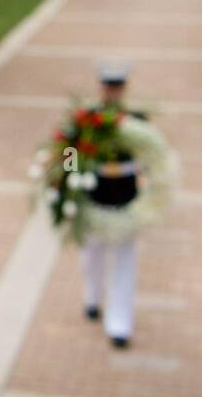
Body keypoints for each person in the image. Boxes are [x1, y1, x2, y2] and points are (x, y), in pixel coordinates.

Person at [35, 64, 178, 348]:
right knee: (92, 259)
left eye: (117, 87)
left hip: (125, 200)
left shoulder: (136, 120)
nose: (112, 91)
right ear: (101, 87)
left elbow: (151, 158)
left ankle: (119, 324)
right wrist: (70, 185)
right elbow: (70, 154)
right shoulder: (86, 120)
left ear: (123, 89)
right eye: (108, 86)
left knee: (125, 263)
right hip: (93, 198)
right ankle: (93, 297)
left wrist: (150, 188)